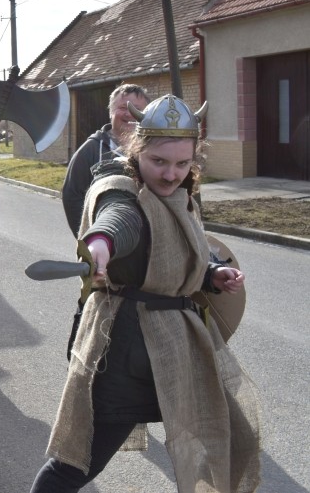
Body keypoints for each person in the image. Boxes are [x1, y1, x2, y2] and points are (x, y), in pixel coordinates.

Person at [29, 95, 261, 493]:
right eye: (159, 162)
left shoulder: (180, 196)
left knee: (233, 439)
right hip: (126, 353)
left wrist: (211, 274)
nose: (171, 174)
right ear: (138, 151)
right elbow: (119, 221)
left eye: (182, 164)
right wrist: (101, 244)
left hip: (178, 349)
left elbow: (175, 254)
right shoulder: (121, 188)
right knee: (75, 464)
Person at [60, 84, 150, 236]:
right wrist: (88, 236)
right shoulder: (90, 150)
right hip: (105, 239)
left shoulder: (153, 150)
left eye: (136, 109)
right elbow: (72, 196)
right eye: (123, 107)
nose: (129, 113)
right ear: (111, 111)